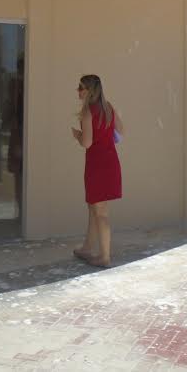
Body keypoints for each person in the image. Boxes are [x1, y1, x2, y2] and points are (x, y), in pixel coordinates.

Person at [71, 74, 124, 268]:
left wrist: (78, 135)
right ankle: (87, 247)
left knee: (100, 212)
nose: (78, 91)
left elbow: (87, 143)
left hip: (96, 165)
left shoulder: (88, 112)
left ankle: (104, 257)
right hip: (111, 162)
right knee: (94, 208)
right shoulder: (108, 107)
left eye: (81, 87)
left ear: (89, 91)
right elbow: (121, 132)